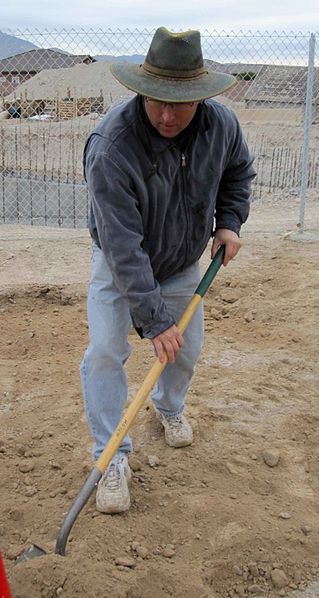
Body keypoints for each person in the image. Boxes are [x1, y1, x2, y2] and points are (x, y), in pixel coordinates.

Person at [81, 26, 256, 514]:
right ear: (141, 88)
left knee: (184, 352)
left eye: (179, 101)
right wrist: (153, 319)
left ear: (200, 95)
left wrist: (230, 222)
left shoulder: (222, 126)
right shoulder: (112, 146)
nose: (166, 113)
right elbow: (121, 243)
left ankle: (169, 408)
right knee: (104, 352)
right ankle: (110, 456)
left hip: (182, 262)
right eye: (157, 99)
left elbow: (238, 172)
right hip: (120, 265)